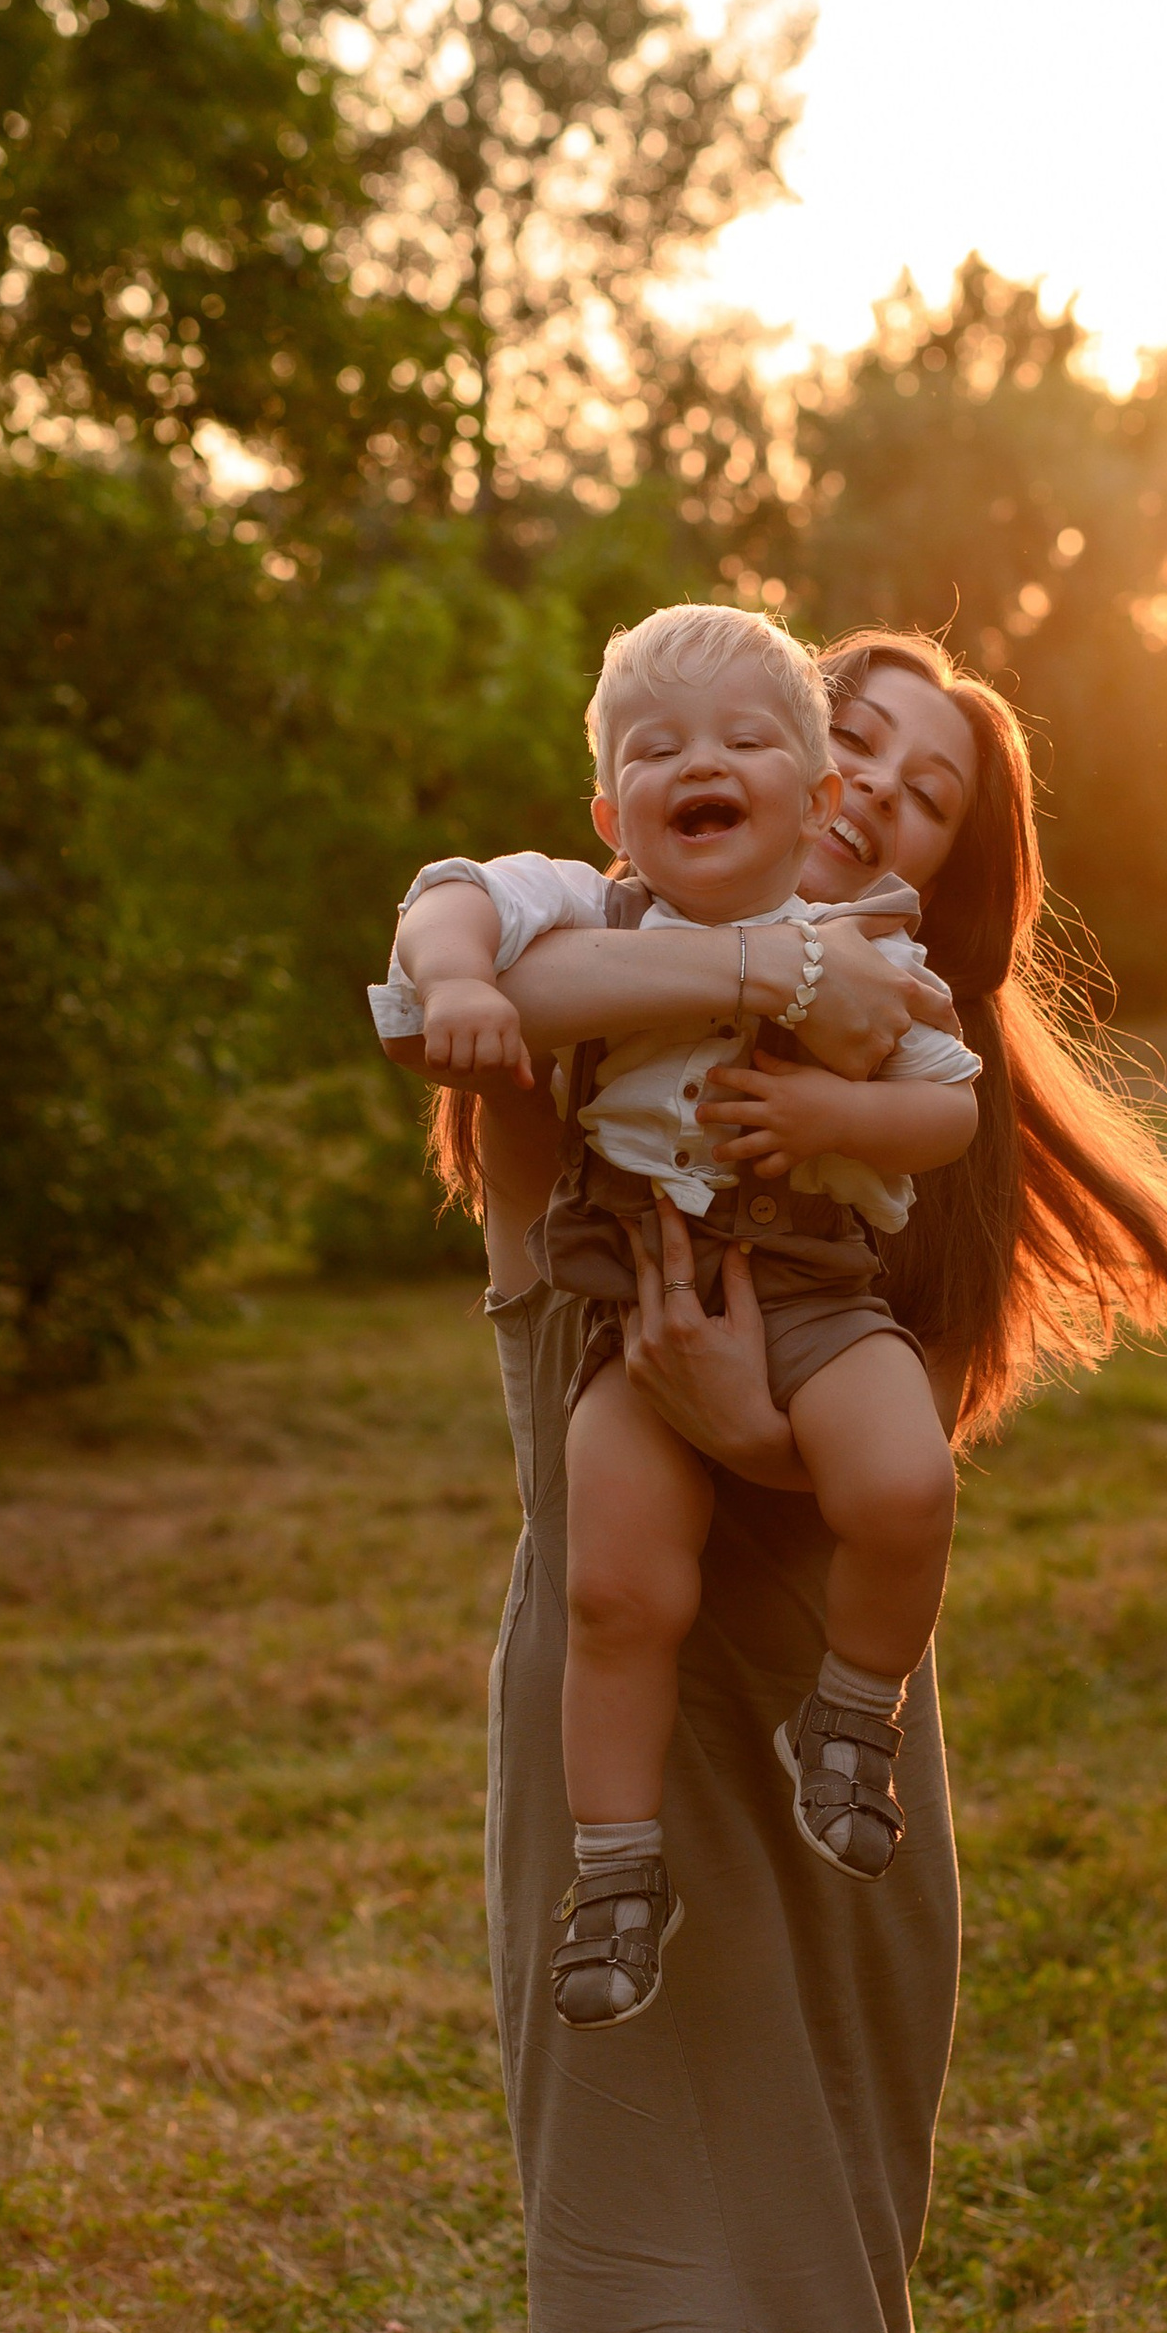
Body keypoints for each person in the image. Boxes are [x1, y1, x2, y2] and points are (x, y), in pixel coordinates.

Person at [387, 629, 1167, 2333]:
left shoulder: (882, 1089)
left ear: (955, 873)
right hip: (648, 1752)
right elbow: (491, 934)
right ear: (714, 769)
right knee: (667, 2280)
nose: (861, 787)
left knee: (826, 2265)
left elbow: (868, 1428)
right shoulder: (590, 970)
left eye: (925, 788)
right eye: (836, 735)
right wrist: (473, 917)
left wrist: (776, 1404)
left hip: (844, 1767)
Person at [381, 607, 982, 2030]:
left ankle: (852, 1716)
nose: (699, 762)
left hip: (815, 1298)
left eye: (741, 741)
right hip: (627, 1317)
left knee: (908, 1481)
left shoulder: (874, 947)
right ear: (613, 809)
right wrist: (463, 973)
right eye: (659, 750)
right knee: (614, 1593)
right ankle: (616, 1872)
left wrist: (836, 1108)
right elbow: (447, 901)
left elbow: (948, 1106)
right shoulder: (596, 912)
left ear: (810, 790)